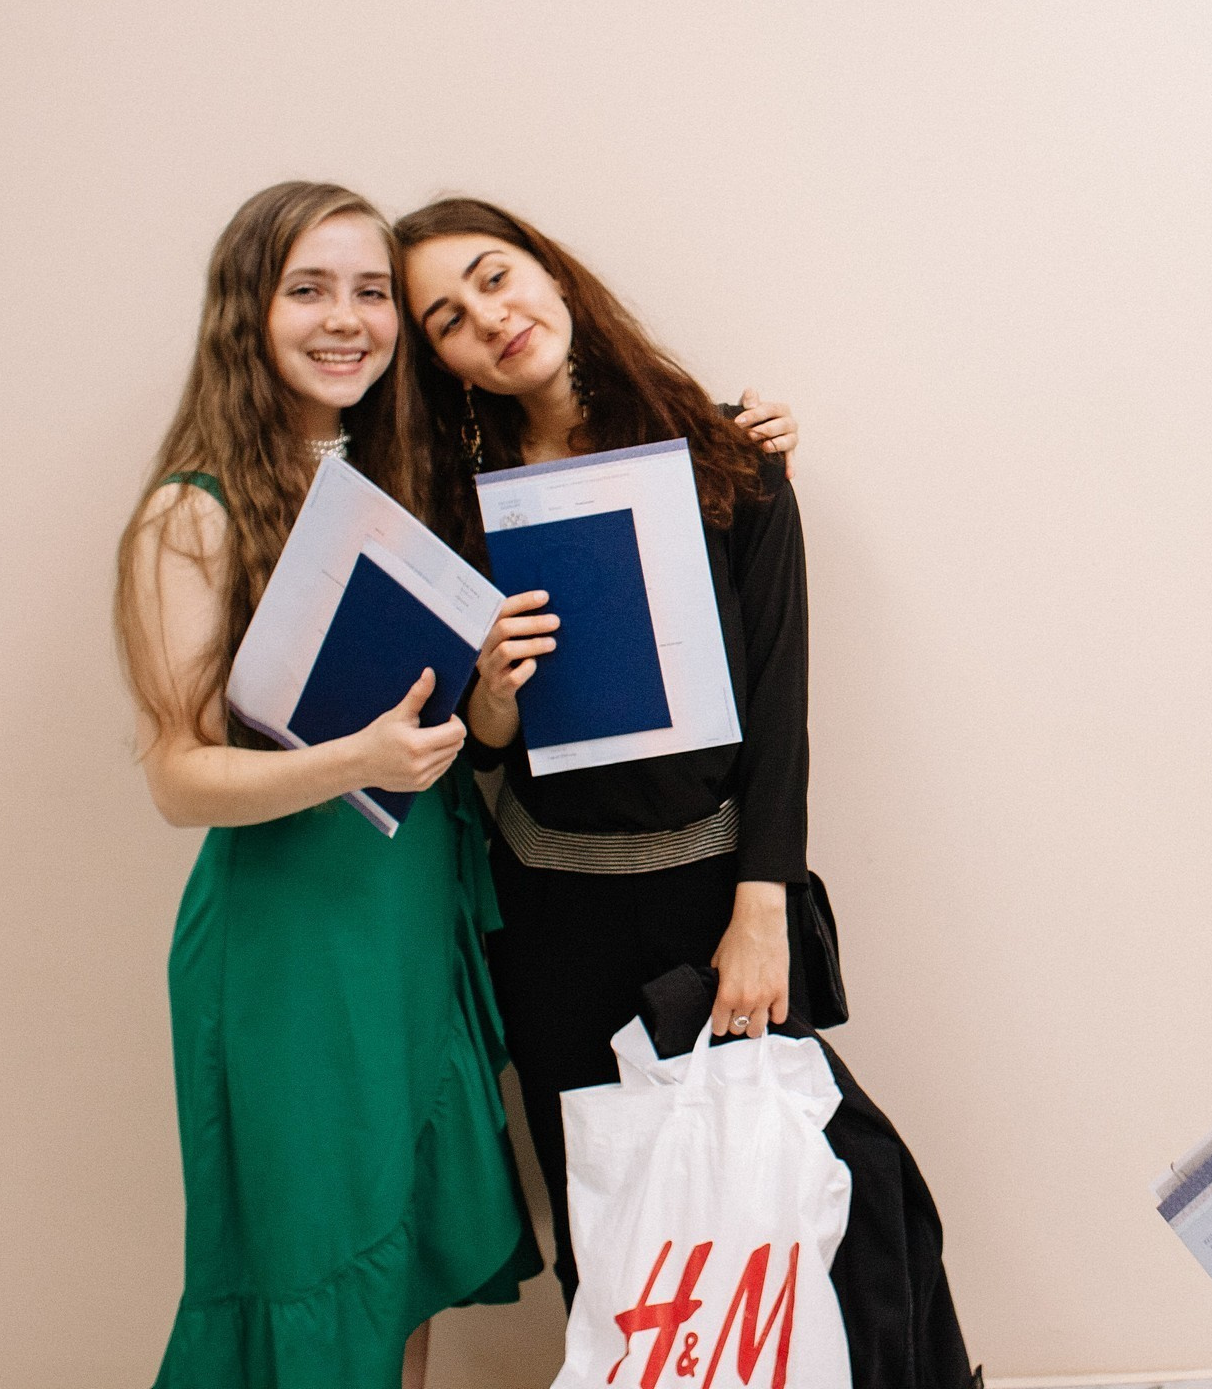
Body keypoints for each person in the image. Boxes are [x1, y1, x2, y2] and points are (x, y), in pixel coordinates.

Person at [116, 182, 540, 1389]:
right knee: (317, 1270)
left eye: (370, 292)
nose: (347, 319)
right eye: (309, 290)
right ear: (247, 310)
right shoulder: (191, 514)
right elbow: (177, 777)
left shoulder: (398, 479)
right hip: (294, 950)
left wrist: (740, 430)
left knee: (397, 1259)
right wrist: (356, 761)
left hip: (406, 925)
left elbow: (561, 399)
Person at [395, 197, 814, 1302]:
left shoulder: (729, 451)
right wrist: (491, 696)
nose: (488, 318)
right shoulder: (453, 509)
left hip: (714, 905)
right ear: (442, 364)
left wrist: (763, 907)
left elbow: (781, 702)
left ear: (551, 271)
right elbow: (481, 754)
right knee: (609, 1245)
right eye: (447, 318)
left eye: (494, 277)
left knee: (758, 1241)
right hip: (550, 918)